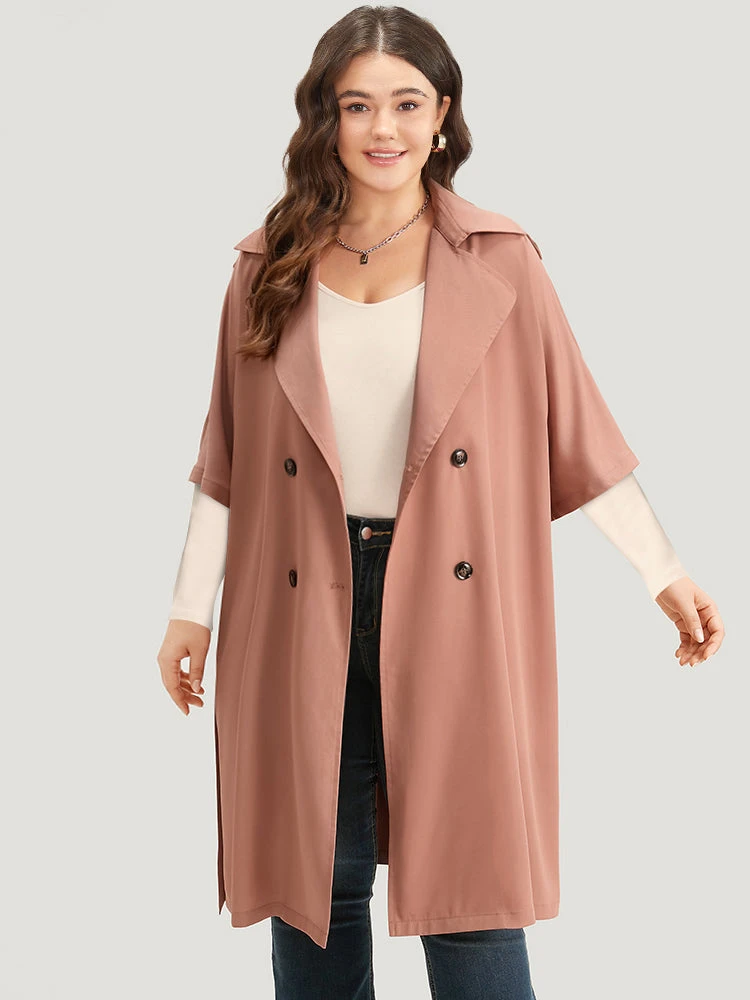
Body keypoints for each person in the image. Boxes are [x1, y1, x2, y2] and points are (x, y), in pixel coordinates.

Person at [156, 7, 725, 998]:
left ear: (443, 114)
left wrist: (663, 572)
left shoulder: (501, 262)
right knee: (317, 885)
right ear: (326, 118)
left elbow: (578, 431)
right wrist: (186, 610)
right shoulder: (267, 266)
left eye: (407, 103)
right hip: (297, 598)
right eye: (357, 105)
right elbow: (227, 460)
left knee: (471, 893)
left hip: (454, 595)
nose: (384, 128)